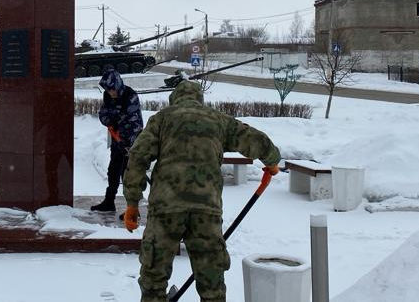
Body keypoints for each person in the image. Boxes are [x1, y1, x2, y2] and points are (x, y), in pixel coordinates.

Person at [121, 80, 281, 302]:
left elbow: (138, 157)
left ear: (174, 99)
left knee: (153, 278)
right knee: (211, 284)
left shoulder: (162, 119)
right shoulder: (218, 120)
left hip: (166, 209)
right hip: (206, 211)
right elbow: (254, 139)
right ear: (200, 99)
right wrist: (272, 161)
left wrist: (132, 202)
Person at [92, 69, 144, 212]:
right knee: (113, 171)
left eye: (112, 89)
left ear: (117, 85)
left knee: (128, 176)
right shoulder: (107, 96)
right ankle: (109, 202)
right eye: (108, 90)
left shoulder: (130, 95)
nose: (111, 92)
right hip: (117, 140)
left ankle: (132, 209)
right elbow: (103, 115)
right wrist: (113, 121)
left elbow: (133, 122)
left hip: (131, 141)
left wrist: (127, 142)